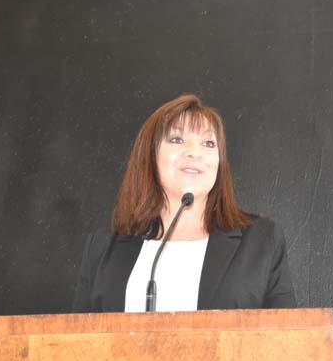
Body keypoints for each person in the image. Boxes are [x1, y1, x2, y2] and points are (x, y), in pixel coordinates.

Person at [72, 94, 296, 312]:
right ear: (149, 155)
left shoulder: (261, 242)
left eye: (208, 143)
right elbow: (76, 344)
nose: (194, 153)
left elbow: (289, 340)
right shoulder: (103, 249)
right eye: (177, 140)